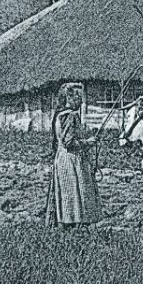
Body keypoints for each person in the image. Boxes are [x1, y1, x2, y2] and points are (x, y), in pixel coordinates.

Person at [45, 81, 103, 229]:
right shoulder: (71, 116)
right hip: (72, 159)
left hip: (61, 158)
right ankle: (77, 224)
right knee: (77, 191)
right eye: (77, 96)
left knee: (66, 193)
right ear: (69, 98)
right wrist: (89, 142)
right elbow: (69, 142)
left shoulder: (59, 115)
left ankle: (66, 223)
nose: (80, 100)